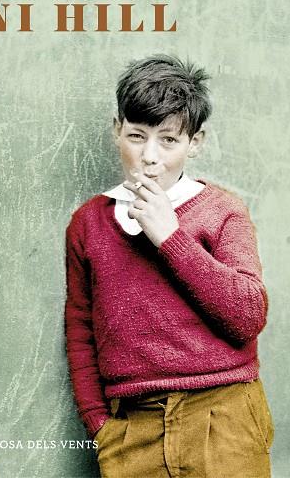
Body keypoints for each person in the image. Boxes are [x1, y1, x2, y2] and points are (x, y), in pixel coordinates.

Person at [65, 55, 274, 478]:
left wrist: (170, 238)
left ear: (195, 143)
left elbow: (248, 316)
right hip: (131, 426)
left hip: (223, 415)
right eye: (136, 136)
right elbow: (80, 327)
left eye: (168, 140)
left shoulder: (222, 212)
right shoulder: (89, 223)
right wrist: (99, 425)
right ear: (117, 130)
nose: (149, 156)